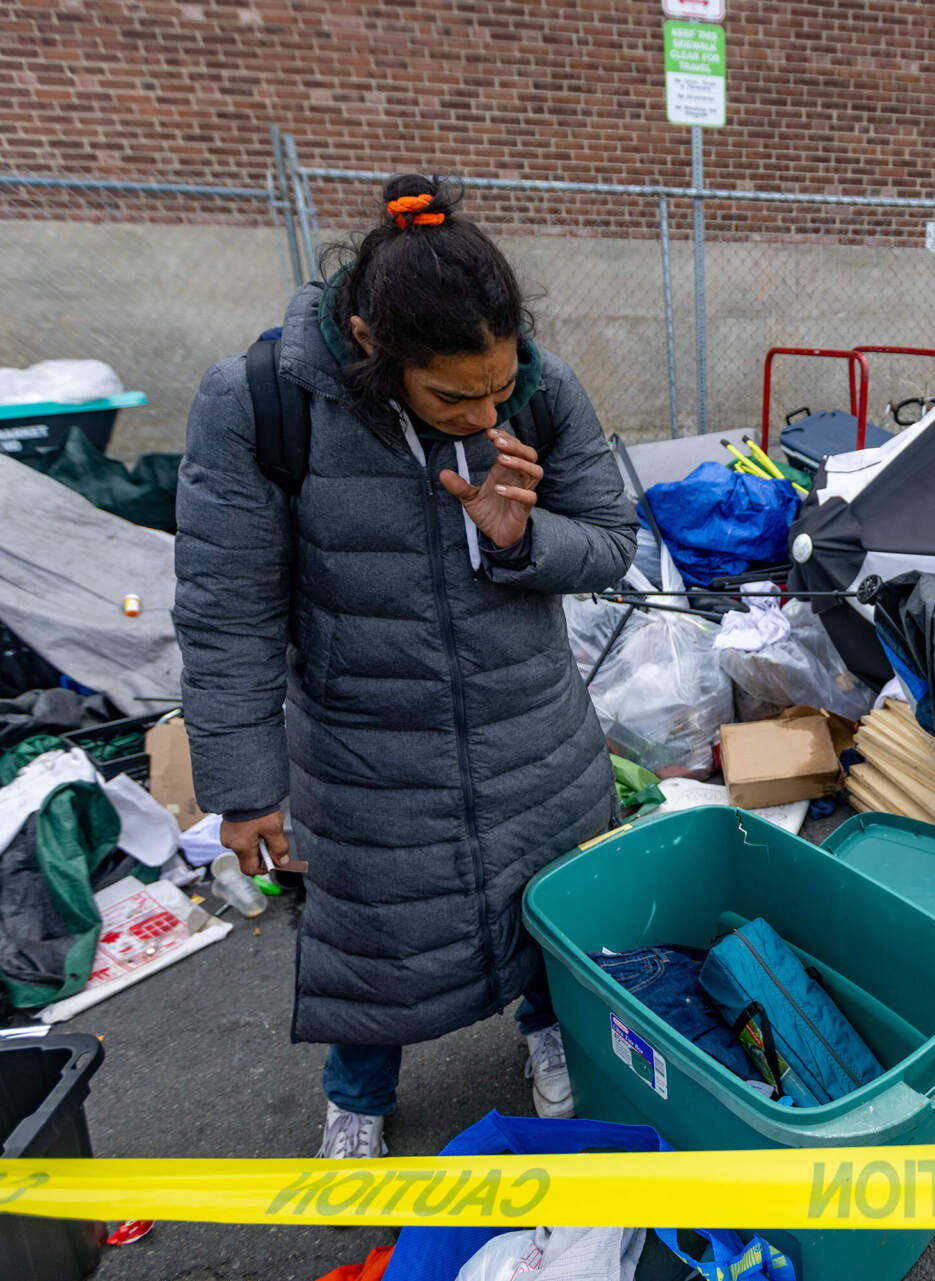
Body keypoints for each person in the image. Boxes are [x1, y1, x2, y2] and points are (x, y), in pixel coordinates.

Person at [173, 175, 637, 1159]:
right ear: (376, 350)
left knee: (546, 915)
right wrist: (245, 787)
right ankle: (356, 1097)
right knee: (373, 945)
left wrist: (523, 542)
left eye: (498, 388)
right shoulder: (264, 402)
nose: (482, 412)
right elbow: (230, 612)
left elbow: (611, 543)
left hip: (533, 739)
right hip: (365, 754)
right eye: (453, 397)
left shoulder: (540, 389)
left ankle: (551, 1042)